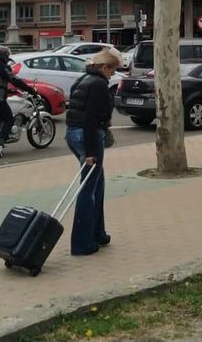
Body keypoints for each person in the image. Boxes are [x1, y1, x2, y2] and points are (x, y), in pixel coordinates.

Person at [64, 48, 119, 256]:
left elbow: (75, 112)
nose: (113, 74)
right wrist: (89, 151)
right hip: (89, 137)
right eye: (112, 70)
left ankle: (98, 233)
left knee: (97, 185)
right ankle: (82, 243)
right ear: (104, 67)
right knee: (88, 190)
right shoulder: (98, 85)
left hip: (73, 135)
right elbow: (90, 119)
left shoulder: (82, 79)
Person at [0, 45, 36, 145]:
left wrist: (7, 90)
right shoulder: (3, 67)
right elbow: (15, 80)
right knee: (9, 119)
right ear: (4, 56)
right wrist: (29, 89)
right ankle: (1, 141)